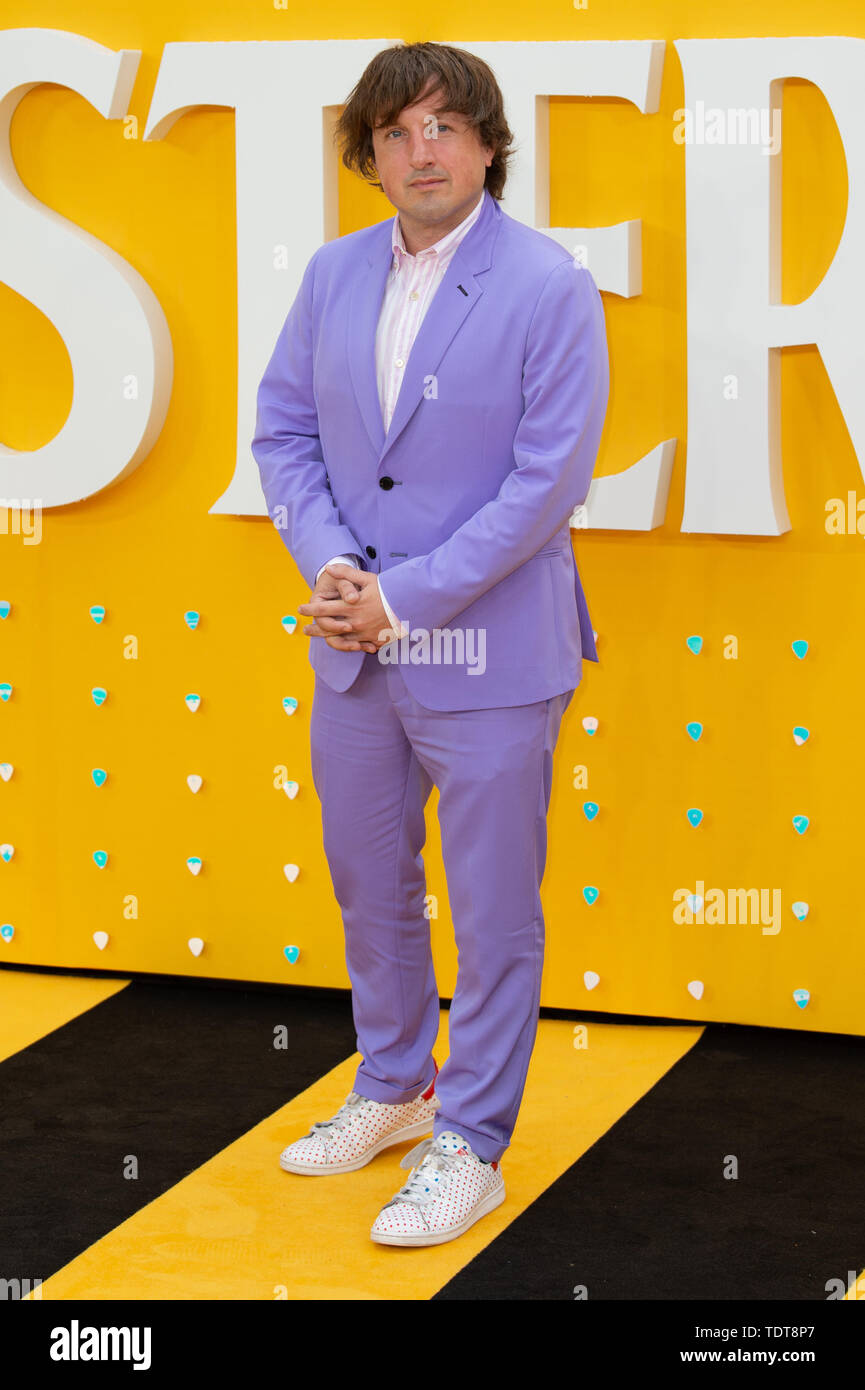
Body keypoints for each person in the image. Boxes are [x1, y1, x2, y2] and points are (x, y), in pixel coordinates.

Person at [251, 39, 609, 1248]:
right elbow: (284, 435)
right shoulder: (333, 273)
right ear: (367, 154)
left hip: (490, 652)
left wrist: (405, 597)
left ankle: (474, 1140)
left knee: (496, 908)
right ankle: (394, 1088)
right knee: (371, 886)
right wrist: (339, 573)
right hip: (354, 645)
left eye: (447, 126)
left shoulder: (549, 283)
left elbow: (545, 483)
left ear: (491, 145)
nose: (423, 150)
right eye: (397, 131)